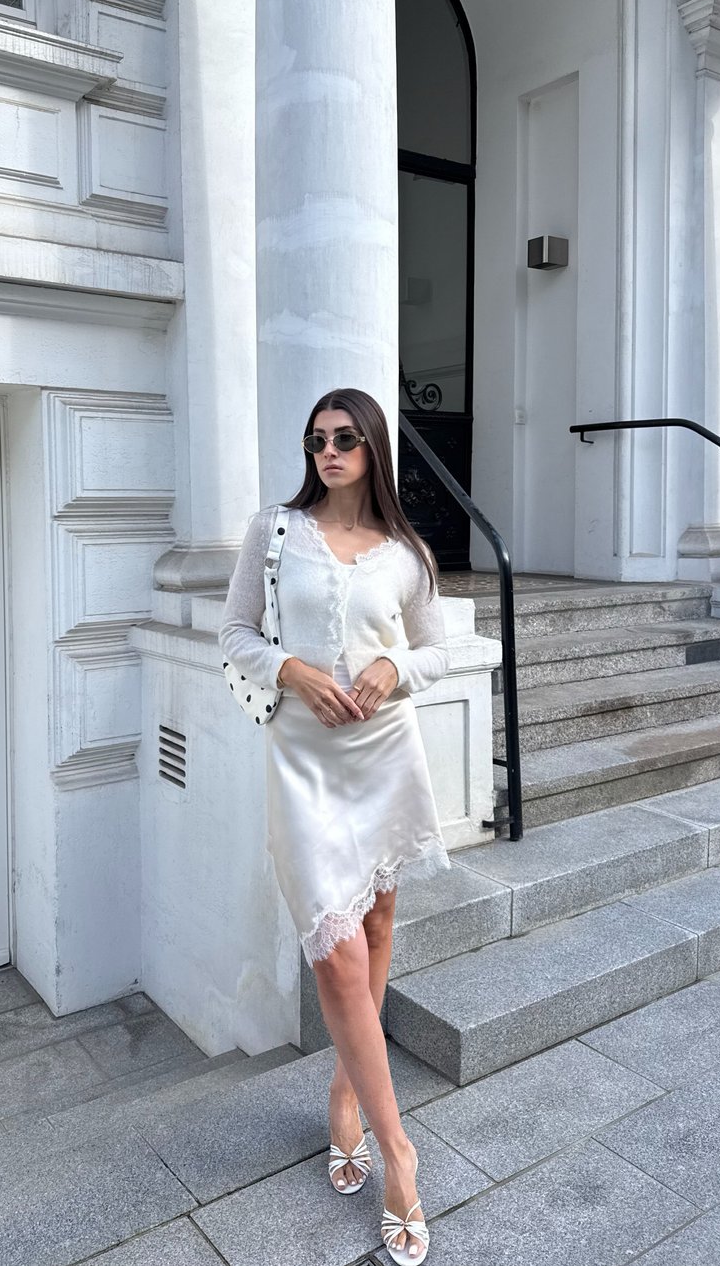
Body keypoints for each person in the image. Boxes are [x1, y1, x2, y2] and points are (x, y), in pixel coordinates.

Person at [220, 387, 451, 1263]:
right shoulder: (274, 531)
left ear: (374, 447)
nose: (329, 450)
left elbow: (435, 649)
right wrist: (292, 670)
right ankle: (400, 1152)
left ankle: (347, 1095)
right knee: (338, 949)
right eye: (317, 438)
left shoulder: (407, 553)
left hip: (384, 754)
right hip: (304, 763)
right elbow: (234, 633)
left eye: (347, 438)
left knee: (380, 925)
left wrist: (394, 667)